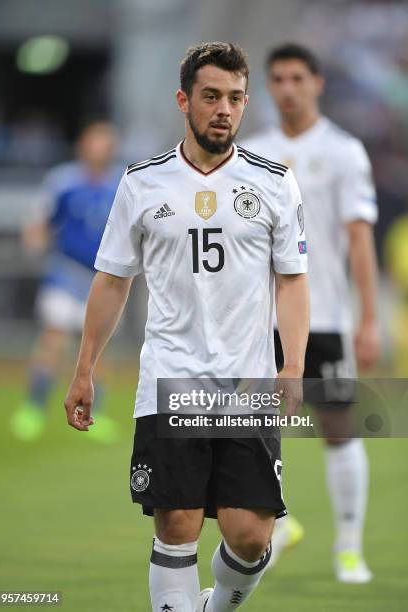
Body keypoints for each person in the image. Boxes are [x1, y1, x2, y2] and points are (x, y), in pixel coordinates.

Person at [64, 42, 309, 612]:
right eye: (211, 96)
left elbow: (293, 280)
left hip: (248, 385)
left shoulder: (274, 183)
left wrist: (291, 365)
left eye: (236, 98)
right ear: (184, 100)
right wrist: (84, 370)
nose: (224, 109)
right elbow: (112, 281)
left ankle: (213, 605)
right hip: (170, 379)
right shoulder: (142, 184)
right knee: (177, 522)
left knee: (251, 536)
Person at [242, 43, 380, 583]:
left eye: (297, 77)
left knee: (338, 428)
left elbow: (359, 239)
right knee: (236, 426)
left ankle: (349, 546)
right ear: (268, 88)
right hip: (258, 320)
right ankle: (280, 522)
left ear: (316, 83)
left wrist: (369, 317)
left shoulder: (344, 152)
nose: (288, 88)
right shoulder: (251, 154)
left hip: (323, 318)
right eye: (277, 79)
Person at [11, 120, 123, 443]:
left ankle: (93, 414)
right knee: (53, 341)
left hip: (104, 279)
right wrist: (35, 236)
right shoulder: (63, 181)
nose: (99, 148)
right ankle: (33, 409)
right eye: (94, 141)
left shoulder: (121, 183)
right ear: (83, 144)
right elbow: (40, 219)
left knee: (98, 350)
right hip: (66, 274)